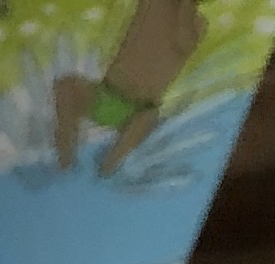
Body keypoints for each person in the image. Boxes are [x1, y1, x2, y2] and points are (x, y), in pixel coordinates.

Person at [54, 0, 205, 172]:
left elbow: (184, 40)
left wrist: (186, 6)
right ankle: (65, 160)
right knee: (66, 86)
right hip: (106, 93)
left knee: (148, 118)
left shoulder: (196, 25)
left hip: (137, 111)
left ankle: (108, 169)